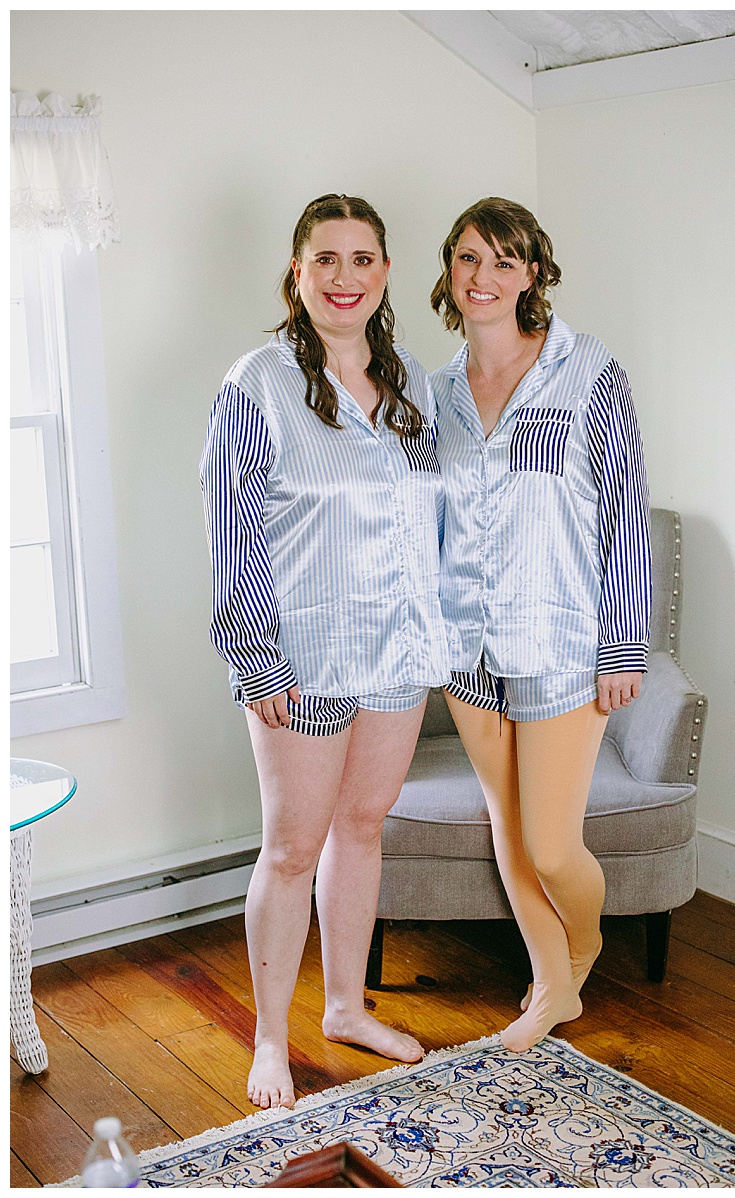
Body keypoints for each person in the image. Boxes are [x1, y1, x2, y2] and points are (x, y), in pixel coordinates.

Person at [201, 194, 452, 1108]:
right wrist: (254, 654)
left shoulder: (414, 382)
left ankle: (345, 1007)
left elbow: (433, 515)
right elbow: (233, 532)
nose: (345, 278)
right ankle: (272, 1037)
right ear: (297, 272)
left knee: (362, 827)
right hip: (301, 652)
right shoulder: (255, 383)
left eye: (363, 259)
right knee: (292, 846)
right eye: (327, 260)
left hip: (397, 648)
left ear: (385, 272)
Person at [430, 198, 651, 1050]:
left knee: (555, 849)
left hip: (562, 638)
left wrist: (620, 644)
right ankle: (553, 991)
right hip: (466, 641)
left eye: (504, 261)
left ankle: (585, 945)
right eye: (468, 259)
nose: (484, 278)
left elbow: (624, 516)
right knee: (510, 834)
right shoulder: (437, 389)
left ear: (533, 275)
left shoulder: (589, 372)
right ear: (450, 270)